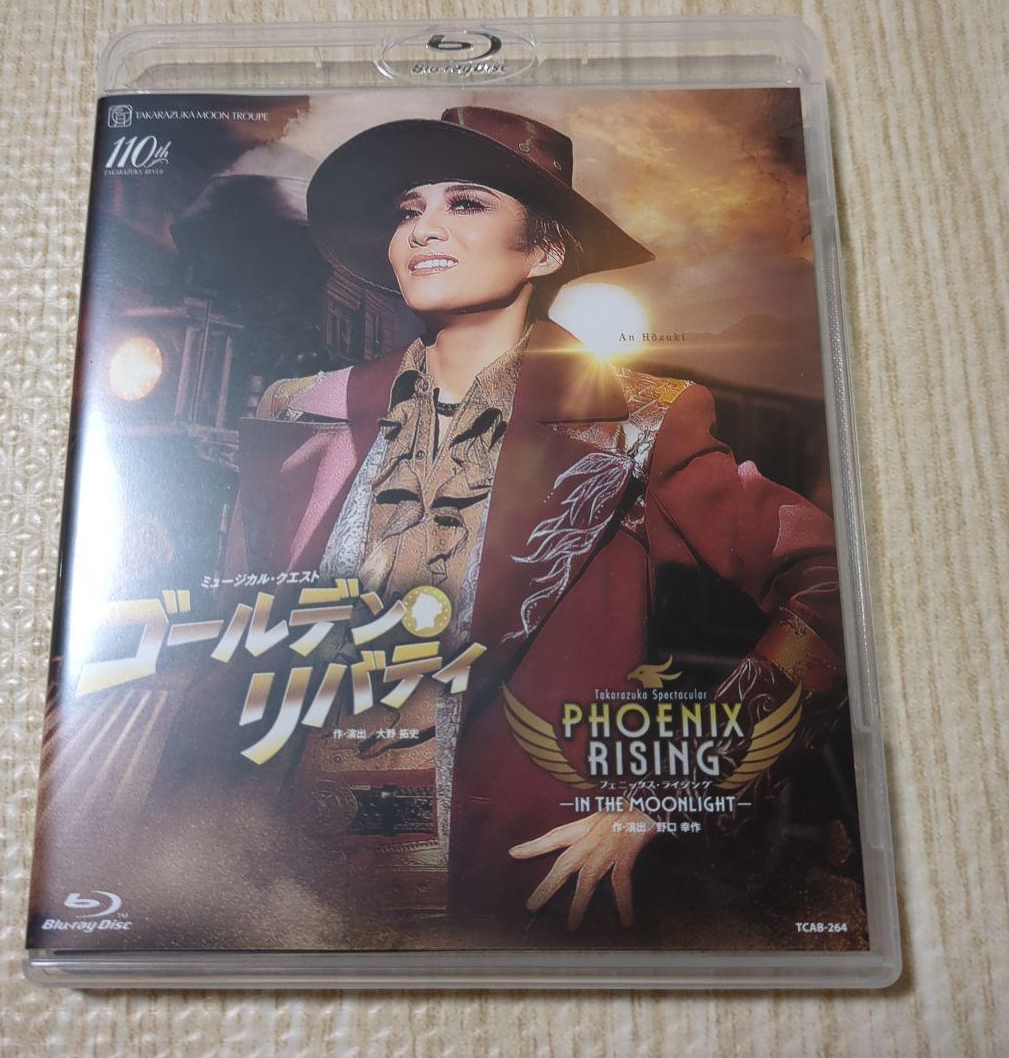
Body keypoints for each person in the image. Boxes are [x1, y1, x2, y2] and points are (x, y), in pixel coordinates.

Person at [225, 106, 848, 944]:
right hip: (281, 885)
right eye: (409, 210)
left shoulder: (636, 422)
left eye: (465, 203)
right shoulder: (303, 412)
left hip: (511, 891)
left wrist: (670, 790)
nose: (423, 229)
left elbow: (837, 593)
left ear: (545, 251)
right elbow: (228, 648)